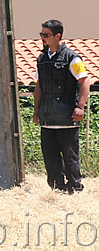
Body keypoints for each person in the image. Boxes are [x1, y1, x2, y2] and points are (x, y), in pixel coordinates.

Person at [32, 19, 90, 193]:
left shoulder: (72, 57)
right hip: (48, 117)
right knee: (50, 157)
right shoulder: (42, 59)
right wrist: (36, 110)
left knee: (70, 156)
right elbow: (39, 86)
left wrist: (80, 107)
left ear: (58, 36)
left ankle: (75, 188)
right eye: (41, 34)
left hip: (67, 117)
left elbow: (85, 81)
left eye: (46, 35)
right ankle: (57, 189)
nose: (42, 38)